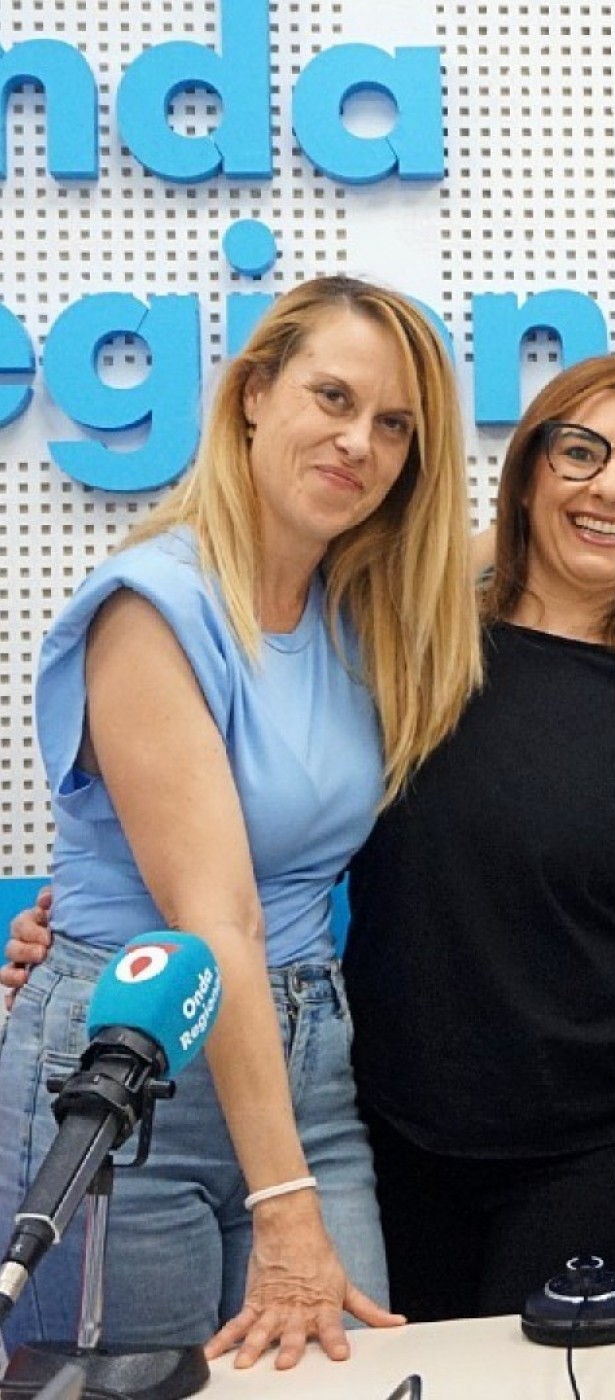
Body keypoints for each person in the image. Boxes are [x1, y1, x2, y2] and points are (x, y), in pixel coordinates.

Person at [0, 275, 482, 1366]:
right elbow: (216, 919)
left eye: (394, 425)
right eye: (333, 397)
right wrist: (283, 1204)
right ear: (254, 394)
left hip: (306, 1070)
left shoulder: (361, 606)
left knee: (343, 1375)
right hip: (131, 1074)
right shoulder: (151, 607)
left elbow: (520, 546)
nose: (359, 442)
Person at [342, 354, 615, 1320]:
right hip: (393, 1139)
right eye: (580, 452)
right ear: (530, 470)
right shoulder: (413, 646)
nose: (610, 487)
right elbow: (277, 826)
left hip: (602, 1151)